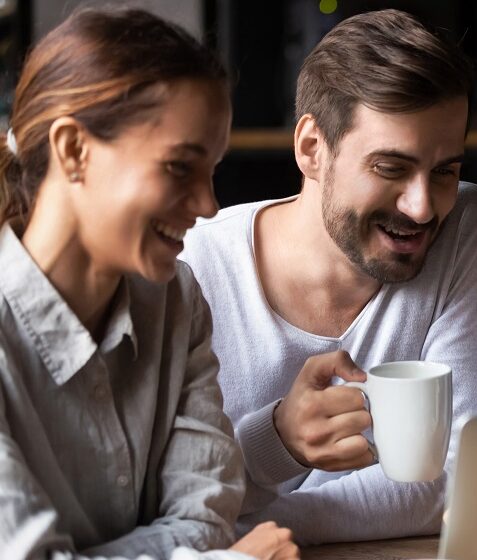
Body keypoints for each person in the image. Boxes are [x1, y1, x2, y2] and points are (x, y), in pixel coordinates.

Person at [178, 9, 477, 544]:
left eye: (446, 170)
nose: (424, 206)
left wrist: (259, 527)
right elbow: (166, 496)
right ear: (312, 149)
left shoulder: (468, 228)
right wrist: (273, 445)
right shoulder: (193, 266)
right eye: (390, 168)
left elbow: (466, 473)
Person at [0, 8, 297, 560]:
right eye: (180, 167)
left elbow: (207, 524)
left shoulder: (177, 300)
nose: (208, 205)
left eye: (212, 171)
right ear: (74, 150)